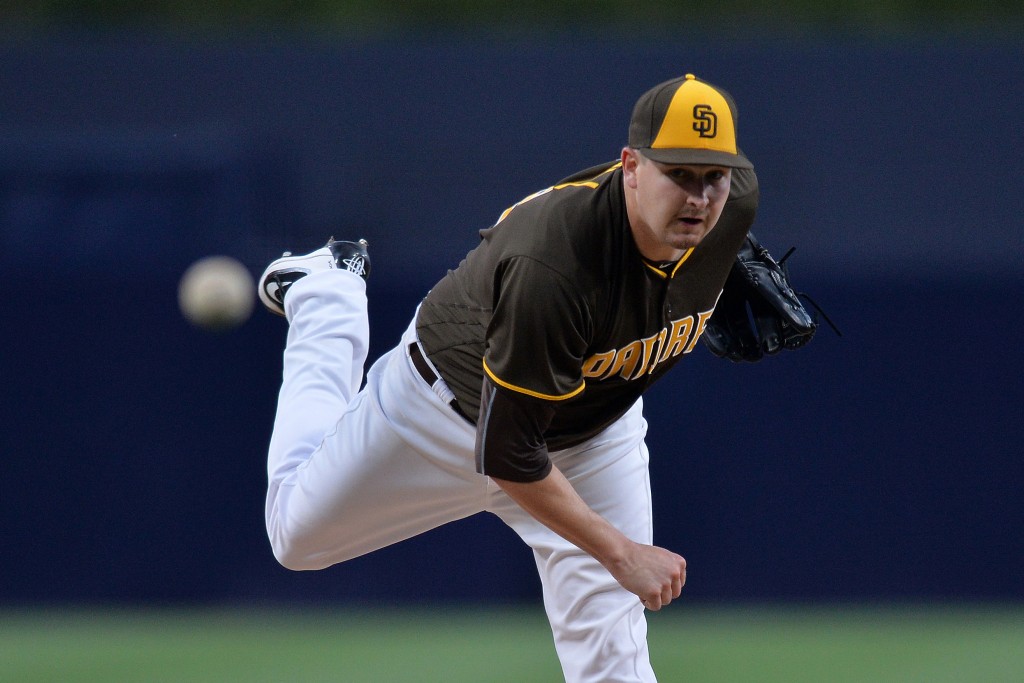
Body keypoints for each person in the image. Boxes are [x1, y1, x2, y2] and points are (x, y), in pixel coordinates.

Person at [258, 73, 791, 682]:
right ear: (631, 167)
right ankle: (329, 292)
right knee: (295, 540)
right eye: (678, 175)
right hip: (445, 413)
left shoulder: (732, 207)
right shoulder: (555, 265)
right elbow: (509, 453)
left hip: (592, 431)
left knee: (613, 661)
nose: (698, 197)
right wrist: (620, 553)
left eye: (712, 177)